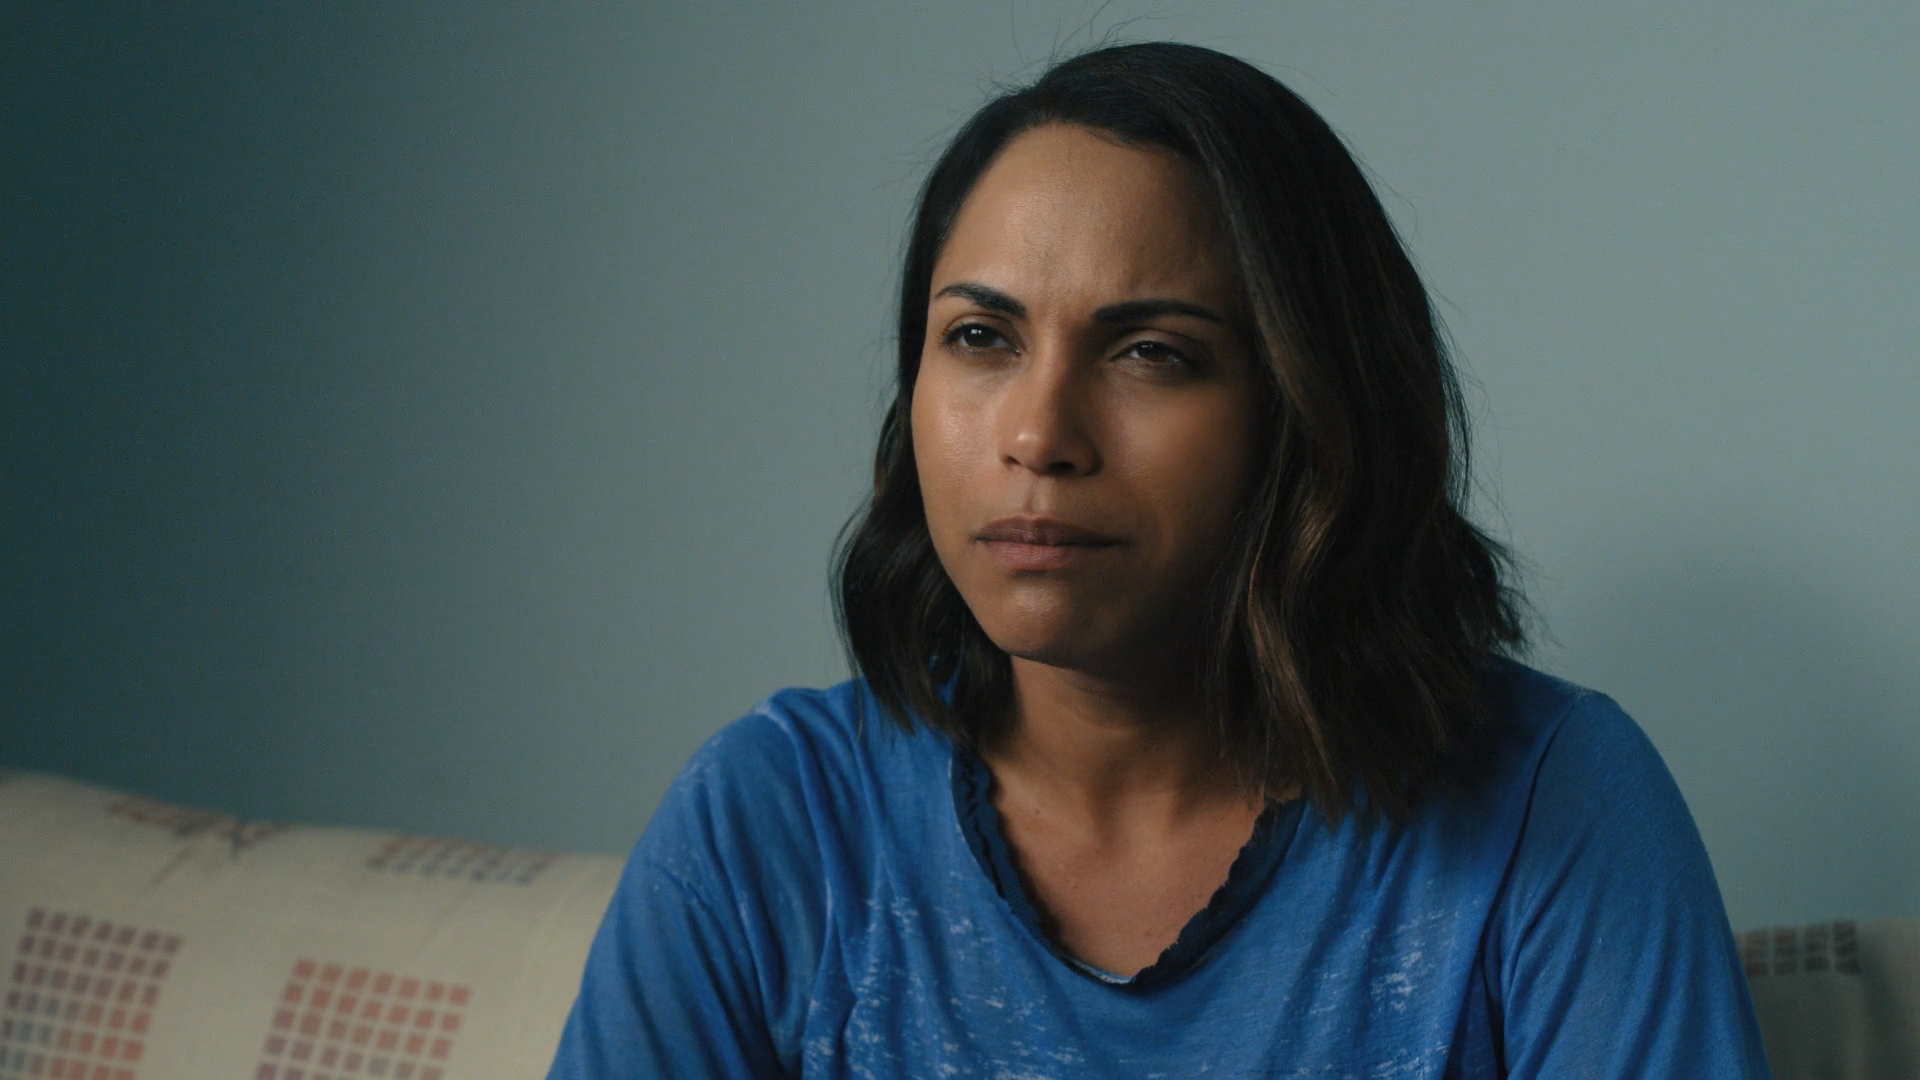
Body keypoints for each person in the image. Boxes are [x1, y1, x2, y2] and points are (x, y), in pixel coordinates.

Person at [548, 42, 1772, 1078]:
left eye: (1151, 354)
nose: (1039, 435)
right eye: (979, 337)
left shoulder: (1552, 804)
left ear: (1306, 413)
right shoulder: (774, 822)